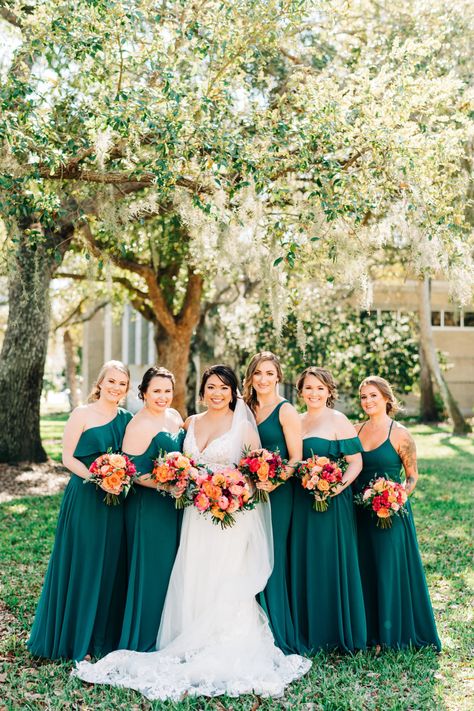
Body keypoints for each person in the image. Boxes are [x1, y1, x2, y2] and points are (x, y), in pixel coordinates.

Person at [73, 364, 311, 700]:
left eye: (223, 388)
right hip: (194, 514)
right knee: (193, 571)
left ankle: (221, 640)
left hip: (230, 516)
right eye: (211, 387)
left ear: (233, 393)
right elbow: (175, 464)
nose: (216, 393)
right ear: (202, 391)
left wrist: (232, 491)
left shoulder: (244, 427)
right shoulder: (191, 423)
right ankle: (186, 636)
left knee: (225, 576)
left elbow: (254, 472)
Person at [28, 361, 132, 660]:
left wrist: (117, 480)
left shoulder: (126, 419)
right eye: (111, 381)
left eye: (121, 384)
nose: (115, 388)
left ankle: (102, 638)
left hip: (116, 502)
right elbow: (67, 457)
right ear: (99, 383)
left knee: (110, 565)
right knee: (84, 562)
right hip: (86, 496)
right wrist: (98, 478)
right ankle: (77, 640)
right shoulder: (82, 414)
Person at [354, 376, 441, 650]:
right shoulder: (355, 430)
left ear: (387, 399)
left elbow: (412, 476)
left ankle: (391, 636)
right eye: (364, 396)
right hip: (359, 515)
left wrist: (395, 499)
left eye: (373, 396)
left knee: (388, 571)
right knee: (364, 569)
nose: (368, 401)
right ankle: (368, 634)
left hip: (389, 516)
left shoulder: (400, 433)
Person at [290, 367, 366, 653]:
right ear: (300, 392)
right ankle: (308, 629)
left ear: (329, 391)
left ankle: (335, 631)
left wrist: (336, 487)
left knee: (330, 560)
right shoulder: (296, 421)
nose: (314, 393)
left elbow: (355, 462)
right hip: (302, 501)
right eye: (308, 388)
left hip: (332, 502)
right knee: (306, 559)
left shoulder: (338, 420)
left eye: (320, 388)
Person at [119, 366, 184, 652]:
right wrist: (167, 486)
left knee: (173, 567)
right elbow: (132, 472)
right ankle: (146, 636)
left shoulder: (174, 417)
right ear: (143, 393)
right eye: (156, 391)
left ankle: (171, 631)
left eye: (167, 391)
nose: (162, 397)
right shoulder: (138, 424)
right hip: (149, 507)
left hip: (176, 505)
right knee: (153, 568)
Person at [243, 352, 301, 654]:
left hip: (278, 494)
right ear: (251, 377)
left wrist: (275, 480)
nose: (263, 379)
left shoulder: (285, 410)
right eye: (258, 373)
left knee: (271, 557)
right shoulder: (244, 407)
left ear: (278, 376)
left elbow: (296, 458)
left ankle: (277, 630)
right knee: (247, 555)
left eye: (269, 373)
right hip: (247, 494)